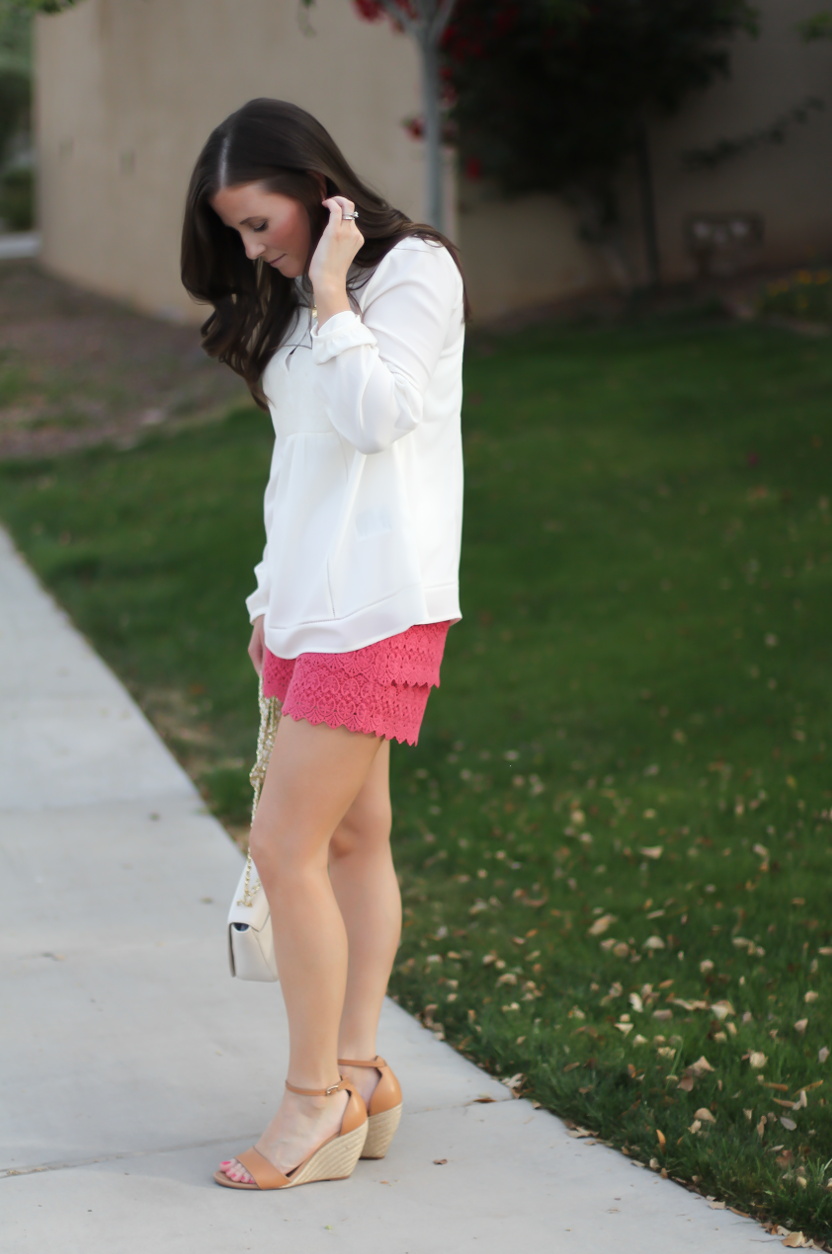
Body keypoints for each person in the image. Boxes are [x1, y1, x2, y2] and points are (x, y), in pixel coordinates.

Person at [181, 99, 466, 1191]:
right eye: (239, 236)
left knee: (282, 848)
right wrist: (268, 598)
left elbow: (380, 416)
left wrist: (337, 288)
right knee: (349, 843)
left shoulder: (410, 274)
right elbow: (302, 462)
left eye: (259, 224)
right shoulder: (303, 297)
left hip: (378, 609)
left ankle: (313, 1105)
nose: (255, 250)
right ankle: (359, 1073)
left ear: (310, 183)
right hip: (305, 610)